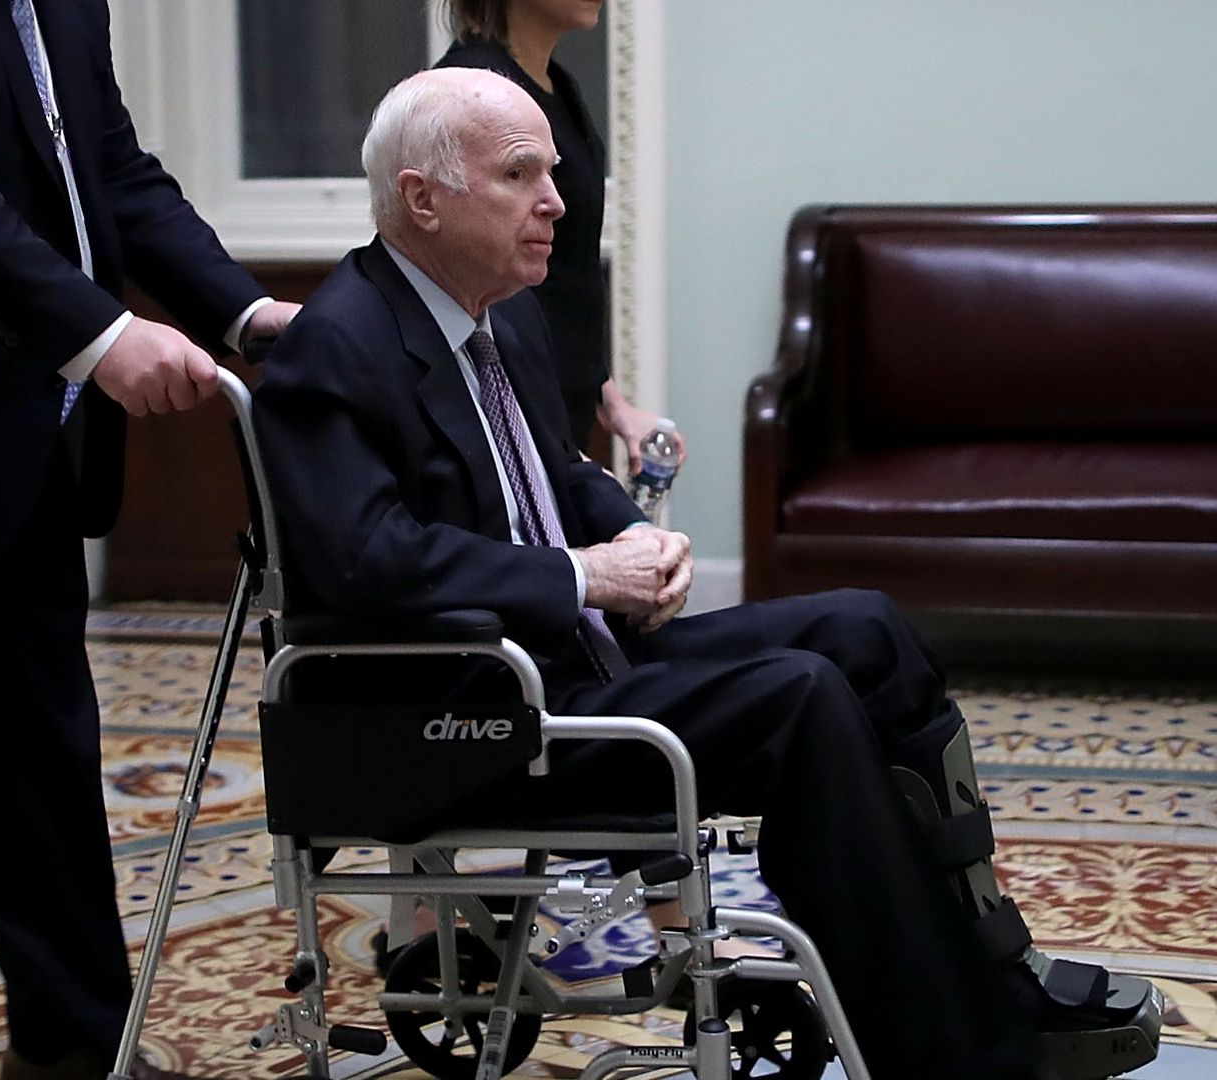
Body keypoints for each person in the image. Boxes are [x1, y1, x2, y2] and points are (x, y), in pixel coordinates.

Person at [253, 68, 1161, 1080]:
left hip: (568, 669)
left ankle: (996, 966)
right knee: (801, 697)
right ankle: (950, 1049)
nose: (556, 200)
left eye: (552, 172)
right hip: (472, 722)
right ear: (423, 197)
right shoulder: (335, 349)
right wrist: (585, 577)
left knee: (868, 630)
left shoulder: (499, 316)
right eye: (521, 174)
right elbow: (368, 559)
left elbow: (550, 472)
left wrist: (636, 542)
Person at [0, 2, 298, 1077]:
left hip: (22, 438)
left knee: (42, 763)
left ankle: (75, 1052)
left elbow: (111, 169)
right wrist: (99, 331)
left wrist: (248, 314)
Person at [437, 0, 684, 476]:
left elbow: (569, 274)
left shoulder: (559, 88)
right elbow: (474, 294)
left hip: (556, 417)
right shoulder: (473, 92)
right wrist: (550, 455)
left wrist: (611, 402)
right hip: (507, 427)